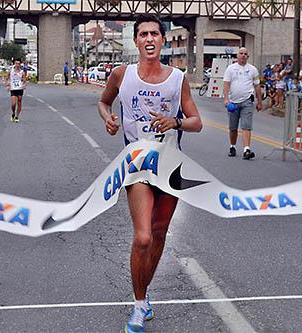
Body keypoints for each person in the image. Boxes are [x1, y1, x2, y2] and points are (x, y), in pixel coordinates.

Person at [98, 14, 202, 333]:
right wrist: (109, 119)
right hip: (138, 165)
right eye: (143, 34)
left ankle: (144, 298)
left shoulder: (176, 78)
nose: (149, 39)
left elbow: (196, 121)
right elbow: (103, 103)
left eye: (155, 33)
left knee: (158, 235)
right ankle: (139, 303)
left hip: (170, 166)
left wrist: (176, 121)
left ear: (162, 39)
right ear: (136, 41)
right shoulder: (121, 74)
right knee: (142, 237)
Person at [223, 47, 262, 160]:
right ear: (237, 55)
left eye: (245, 54)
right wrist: (226, 99)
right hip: (233, 102)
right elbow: (226, 84)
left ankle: (246, 149)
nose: (243, 55)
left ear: (247, 56)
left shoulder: (253, 70)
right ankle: (232, 146)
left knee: (246, 126)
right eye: (241, 53)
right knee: (233, 128)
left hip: (247, 102)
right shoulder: (230, 69)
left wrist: (259, 101)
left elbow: (257, 86)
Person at [5, 58, 26, 123]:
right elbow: (6, 79)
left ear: (20, 64)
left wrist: (24, 86)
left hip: (19, 88)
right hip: (13, 89)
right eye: (16, 63)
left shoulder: (22, 72)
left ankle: (17, 116)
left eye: (19, 64)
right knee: (13, 104)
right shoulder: (11, 71)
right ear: (14, 63)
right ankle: (13, 113)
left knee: (19, 102)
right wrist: (7, 85)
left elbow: (24, 81)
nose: (17, 65)